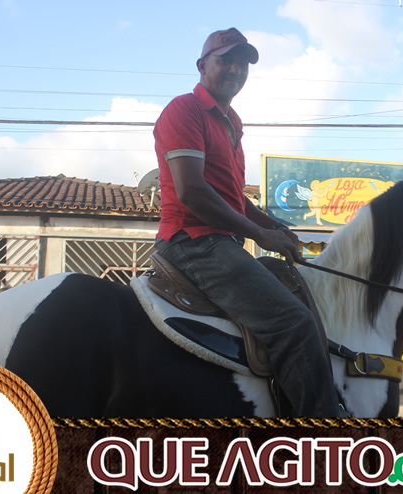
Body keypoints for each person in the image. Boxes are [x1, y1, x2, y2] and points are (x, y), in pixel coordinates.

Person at [152, 28, 342, 417]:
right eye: (226, 60)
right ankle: (323, 436)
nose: (236, 69)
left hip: (222, 243)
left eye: (243, 63)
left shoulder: (232, 123)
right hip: (193, 242)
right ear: (202, 65)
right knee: (295, 323)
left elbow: (234, 199)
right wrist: (260, 235)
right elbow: (192, 191)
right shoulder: (184, 110)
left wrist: (275, 226)